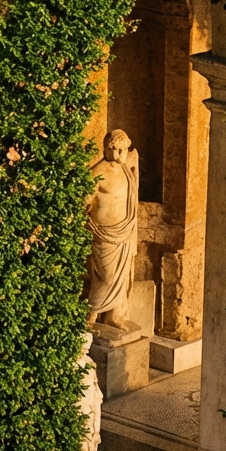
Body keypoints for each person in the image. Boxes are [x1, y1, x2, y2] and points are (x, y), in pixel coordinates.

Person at [86, 129, 139, 329]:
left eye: (122, 151)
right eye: (115, 150)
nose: (118, 155)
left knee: (122, 276)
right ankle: (91, 315)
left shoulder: (126, 170)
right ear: (106, 149)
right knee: (105, 277)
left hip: (125, 231)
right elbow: (84, 202)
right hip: (104, 234)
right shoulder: (96, 173)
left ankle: (114, 316)